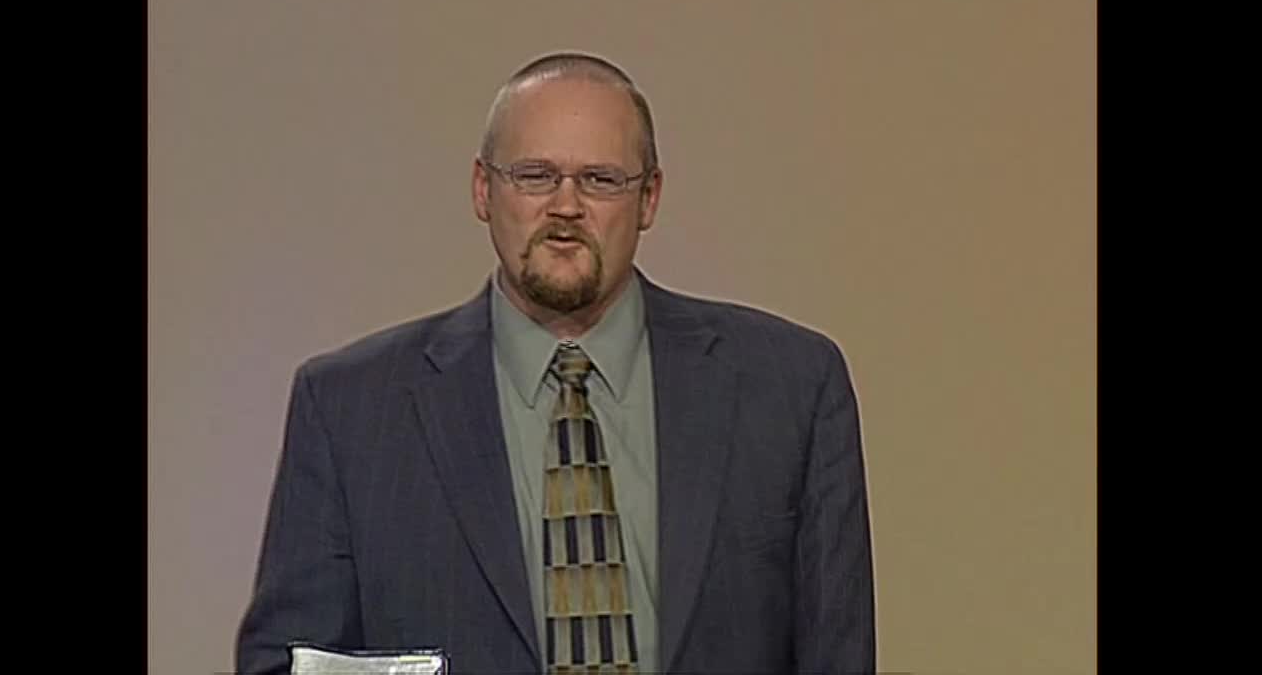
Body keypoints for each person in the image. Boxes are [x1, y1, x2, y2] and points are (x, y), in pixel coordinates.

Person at [236, 51, 876, 675]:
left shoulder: (790, 386)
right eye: (535, 175)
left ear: (648, 198)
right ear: (484, 190)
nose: (565, 206)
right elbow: (292, 661)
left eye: (600, 180)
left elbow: (838, 655)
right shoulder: (351, 408)